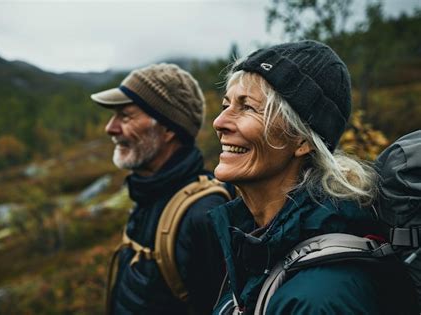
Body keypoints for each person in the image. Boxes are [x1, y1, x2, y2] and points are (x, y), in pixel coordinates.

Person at [209, 40, 417, 314]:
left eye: (247, 107)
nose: (219, 122)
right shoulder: (255, 246)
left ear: (301, 140)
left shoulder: (320, 298)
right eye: (226, 104)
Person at [90, 63, 230, 315]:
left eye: (125, 116)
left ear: (167, 129)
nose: (110, 128)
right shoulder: (147, 192)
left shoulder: (202, 215)